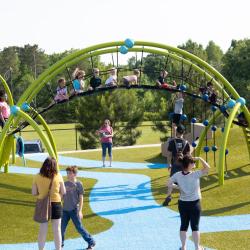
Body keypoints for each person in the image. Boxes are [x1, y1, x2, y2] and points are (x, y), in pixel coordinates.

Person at [166, 155, 210, 250]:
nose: (194, 163)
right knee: (195, 226)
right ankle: (197, 248)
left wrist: (178, 187)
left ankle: (183, 247)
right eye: (193, 162)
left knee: (183, 225)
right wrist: (200, 158)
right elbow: (207, 167)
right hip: (195, 204)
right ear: (189, 164)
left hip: (183, 204)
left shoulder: (177, 175)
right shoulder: (195, 174)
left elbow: (168, 183)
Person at [32, 157, 66, 250]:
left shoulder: (37, 176)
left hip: (42, 204)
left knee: (43, 229)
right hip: (56, 204)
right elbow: (63, 191)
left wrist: (42, 194)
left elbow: (34, 192)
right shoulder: (58, 176)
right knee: (57, 229)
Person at [61, 166, 96, 250]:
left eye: (69, 173)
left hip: (74, 210)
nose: (68, 175)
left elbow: (81, 198)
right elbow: (61, 196)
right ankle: (60, 245)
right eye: (67, 173)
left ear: (75, 174)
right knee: (61, 228)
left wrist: (80, 211)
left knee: (79, 228)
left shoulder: (79, 184)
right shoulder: (64, 184)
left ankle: (91, 242)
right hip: (65, 210)